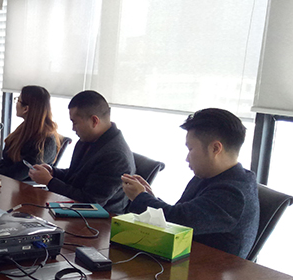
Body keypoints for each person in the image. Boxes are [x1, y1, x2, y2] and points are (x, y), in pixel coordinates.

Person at [121, 108, 259, 259]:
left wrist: (141, 197)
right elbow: (183, 212)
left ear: (215, 148)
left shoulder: (234, 194)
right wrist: (149, 197)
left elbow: (177, 222)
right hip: (182, 258)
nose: (187, 158)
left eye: (190, 149)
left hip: (207, 269)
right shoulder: (211, 175)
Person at [29, 90, 134, 214]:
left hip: (99, 219)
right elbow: (77, 175)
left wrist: (49, 181)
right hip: (74, 211)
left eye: (75, 122)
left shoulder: (115, 156)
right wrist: (53, 172)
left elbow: (89, 202)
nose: (73, 128)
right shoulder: (88, 139)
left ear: (94, 121)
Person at [0, 85, 61, 181]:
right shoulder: (24, 129)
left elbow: (19, 172)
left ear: (26, 109)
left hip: (20, 187)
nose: (16, 104)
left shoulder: (46, 141)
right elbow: (8, 161)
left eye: (18, 100)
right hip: (7, 182)